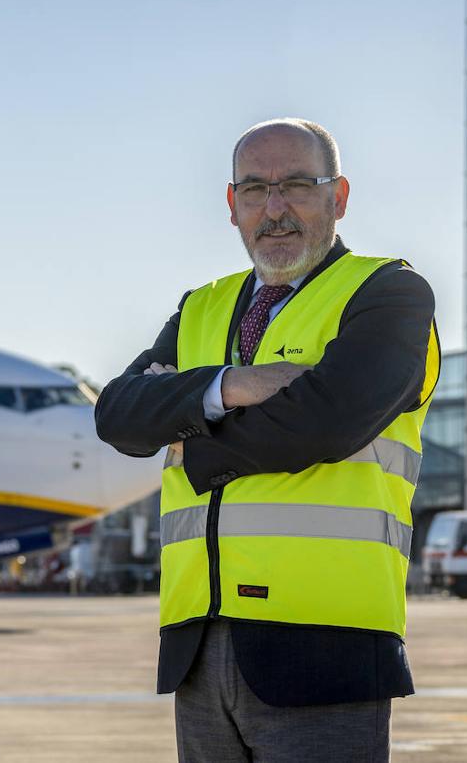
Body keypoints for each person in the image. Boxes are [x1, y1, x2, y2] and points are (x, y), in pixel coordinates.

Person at [95, 118, 439, 761]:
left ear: (338, 197)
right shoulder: (201, 307)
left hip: (326, 642)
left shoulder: (388, 294)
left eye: (297, 186)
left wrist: (187, 441)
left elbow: (326, 422)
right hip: (197, 644)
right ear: (232, 206)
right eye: (255, 189)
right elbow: (117, 416)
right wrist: (232, 386)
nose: (274, 208)